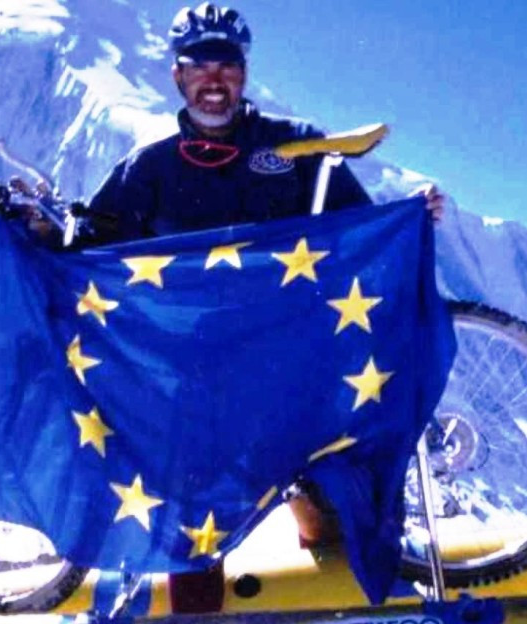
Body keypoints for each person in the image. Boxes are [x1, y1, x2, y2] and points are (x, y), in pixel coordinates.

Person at [29, 1, 443, 612]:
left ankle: (335, 604)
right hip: (197, 391)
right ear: (177, 73)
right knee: (194, 532)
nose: (214, 78)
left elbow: (360, 228)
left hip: (295, 379)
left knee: (332, 510)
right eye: (199, 63)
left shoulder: (297, 147)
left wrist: (410, 216)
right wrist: (41, 231)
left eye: (226, 62)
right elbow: (93, 245)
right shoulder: (149, 167)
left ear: (244, 71)